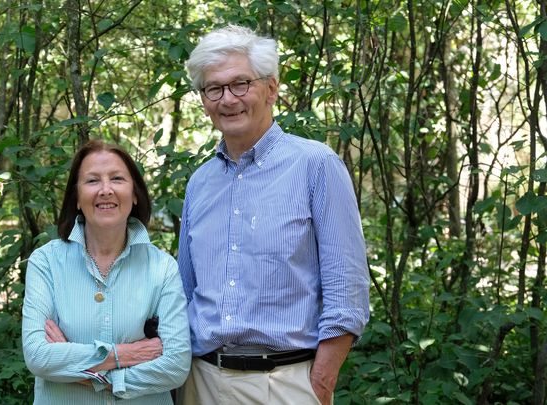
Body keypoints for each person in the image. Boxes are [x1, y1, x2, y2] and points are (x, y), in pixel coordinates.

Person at [177, 25, 370, 405]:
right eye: (213, 88)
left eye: (240, 84)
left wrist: (320, 383)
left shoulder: (316, 166)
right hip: (200, 383)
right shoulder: (200, 182)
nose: (227, 99)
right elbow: (184, 290)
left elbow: (347, 288)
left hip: (285, 384)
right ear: (203, 99)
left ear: (272, 88)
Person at [22, 140, 191, 404]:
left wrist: (97, 377)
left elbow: (176, 366)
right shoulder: (46, 263)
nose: (105, 190)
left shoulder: (162, 267)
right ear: (76, 198)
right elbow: (38, 356)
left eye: (117, 179)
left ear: (134, 194)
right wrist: (125, 355)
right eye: (92, 181)